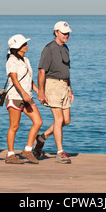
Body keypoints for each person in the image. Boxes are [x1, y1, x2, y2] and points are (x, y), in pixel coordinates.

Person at [35, 21, 74, 164]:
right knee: (58, 119)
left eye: (68, 33)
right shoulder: (49, 48)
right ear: (56, 32)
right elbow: (41, 71)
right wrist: (40, 91)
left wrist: (70, 89)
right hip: (52, 85)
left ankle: (41, 138)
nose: (66, 35)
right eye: (64, 33)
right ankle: (60, 152)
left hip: (64, 85)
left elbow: (67, 71)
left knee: (66, 120)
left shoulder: (66, 48)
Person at [5, 34, 43, 164]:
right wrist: (23, 93)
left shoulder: (25, 60)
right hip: (16, 97)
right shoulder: (11, 61)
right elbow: (14, 79)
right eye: (24, 44)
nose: (27, 45)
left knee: (38, 122)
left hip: (27, 97)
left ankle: (27, 149)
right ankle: (10, 155)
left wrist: (39, 92)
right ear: (18, 47)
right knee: (14, 126)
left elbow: (29, 79)